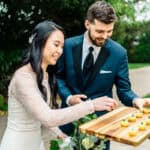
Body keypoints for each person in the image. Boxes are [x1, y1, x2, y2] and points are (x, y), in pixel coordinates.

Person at [0, 20, 119, 150]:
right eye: (56, 45)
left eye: (62, 46)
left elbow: (40, 114)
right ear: (39, 42)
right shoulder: (23, 77)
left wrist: (61, 135)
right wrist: (91, 105)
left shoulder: (44, 75)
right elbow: (48, 117)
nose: (60, 51)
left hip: (36, 144)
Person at [56, 1, 150, 149]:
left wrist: (135, 100)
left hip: (101, 127)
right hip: (68, 121)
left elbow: (124, 90)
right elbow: (59, 77)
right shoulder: (67, 46)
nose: (105, 36)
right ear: (87, 24)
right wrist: (68, 98)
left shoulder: (119, 53)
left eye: (109, 31)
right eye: (100, 31)